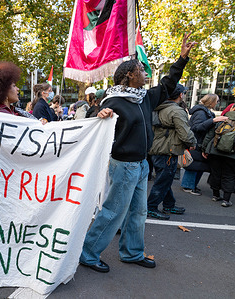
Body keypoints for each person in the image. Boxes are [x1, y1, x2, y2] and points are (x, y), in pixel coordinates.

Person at [79, 33, 196, 273]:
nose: (146, 74)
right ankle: (88, 254)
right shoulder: (113, 101)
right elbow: (93, 120)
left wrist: (182, 58)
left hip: (142, 165)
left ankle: (131, 253)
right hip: (123, 165)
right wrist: (100, 114)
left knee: (138, 212)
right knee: (113, 212)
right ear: (129, 75)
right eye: (142, 71)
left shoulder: (144, 98)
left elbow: (168, 83)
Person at [146, 84, 197, 220]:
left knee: (165, 179)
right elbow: (185, 132)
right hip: (168, 149)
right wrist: (192, 143)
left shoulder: (157, 107)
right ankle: (151, 207)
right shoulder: (176, 111)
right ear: (180, 95)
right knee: (163, 180)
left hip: (157, 147)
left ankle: (169, 204)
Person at [181, 94, 227, 195]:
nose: (218, 103)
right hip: (197, 141)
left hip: (199, 142)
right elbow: (196, 127)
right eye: (217, 101)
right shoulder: (201, 113)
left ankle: (191, 185)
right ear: (211, 102)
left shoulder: (206, 112)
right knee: (193, 164)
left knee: (198, 165)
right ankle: (188, 186)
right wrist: (213, 120)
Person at [202, 105, 235, 207]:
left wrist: (204, 149)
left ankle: (215, 195)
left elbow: (210, 135)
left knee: (215, 173)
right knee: (229, 175)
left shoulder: (222, 119)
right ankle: (226, 200)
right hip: (232, 155)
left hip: (215, 151)